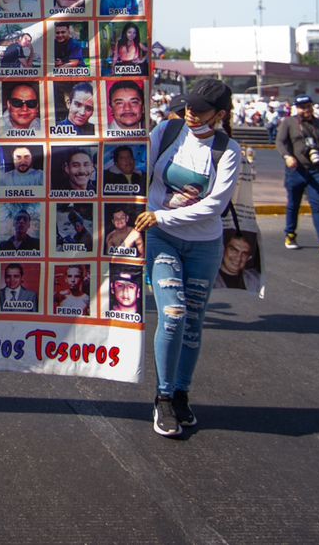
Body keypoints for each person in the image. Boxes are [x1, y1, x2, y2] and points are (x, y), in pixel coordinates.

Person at [133, 77, 243, 438]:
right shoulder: (166, 131)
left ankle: (181, 393)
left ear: (220, 114)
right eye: (189, 107)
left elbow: (215, 206)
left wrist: (161, 214)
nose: (191, 114)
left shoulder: (229, 151)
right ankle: (163, 397)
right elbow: (136, 168)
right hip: (161, 239)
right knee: (174, 314)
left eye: (200, 110)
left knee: (194, 321)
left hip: (204, 245)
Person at [275, 95, 319, 255]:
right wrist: (287, 156)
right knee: (294, 204)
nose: (306, 110)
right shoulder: (289, 122)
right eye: (303, 107)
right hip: (296, 171)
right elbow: (279, 142)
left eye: (308, 106)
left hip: (316, 170)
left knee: (318, 204)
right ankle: (290, 234)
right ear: (297, 108)